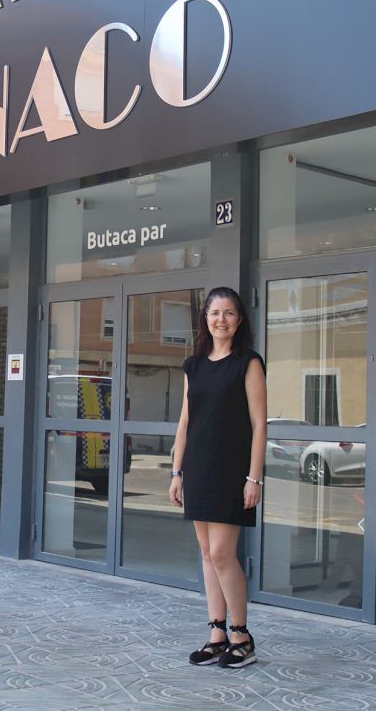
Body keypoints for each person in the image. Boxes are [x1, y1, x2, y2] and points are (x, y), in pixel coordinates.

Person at [169, 286, 267, 668]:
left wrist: (254, 478)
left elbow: (260, 424)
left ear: (239, 320)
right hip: (198, 468)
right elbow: (185, 421)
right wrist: (177, 472)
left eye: (228, 313)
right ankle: (217, 634)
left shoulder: (248, 363)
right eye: (214, 313)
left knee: (224, 554)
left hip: (232, 470)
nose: (220, 320)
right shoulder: (193, 366)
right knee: (208, 554)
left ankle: (242, 637)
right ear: (205, 319)